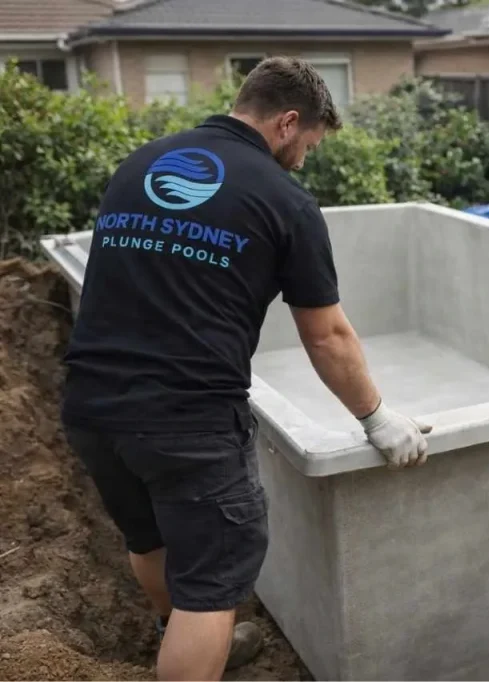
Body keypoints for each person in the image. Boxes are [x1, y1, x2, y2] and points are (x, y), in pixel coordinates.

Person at [60, 57, 431, 681]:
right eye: (308, 144)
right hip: (188, 421)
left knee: (148, 541)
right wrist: (377, 417)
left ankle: (185, 639)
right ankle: (198, 646)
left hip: (92, 407)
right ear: (288, 123)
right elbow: (328, 337)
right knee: (212, 586)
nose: (305, 160)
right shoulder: (284, 200)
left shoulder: (141, 164)